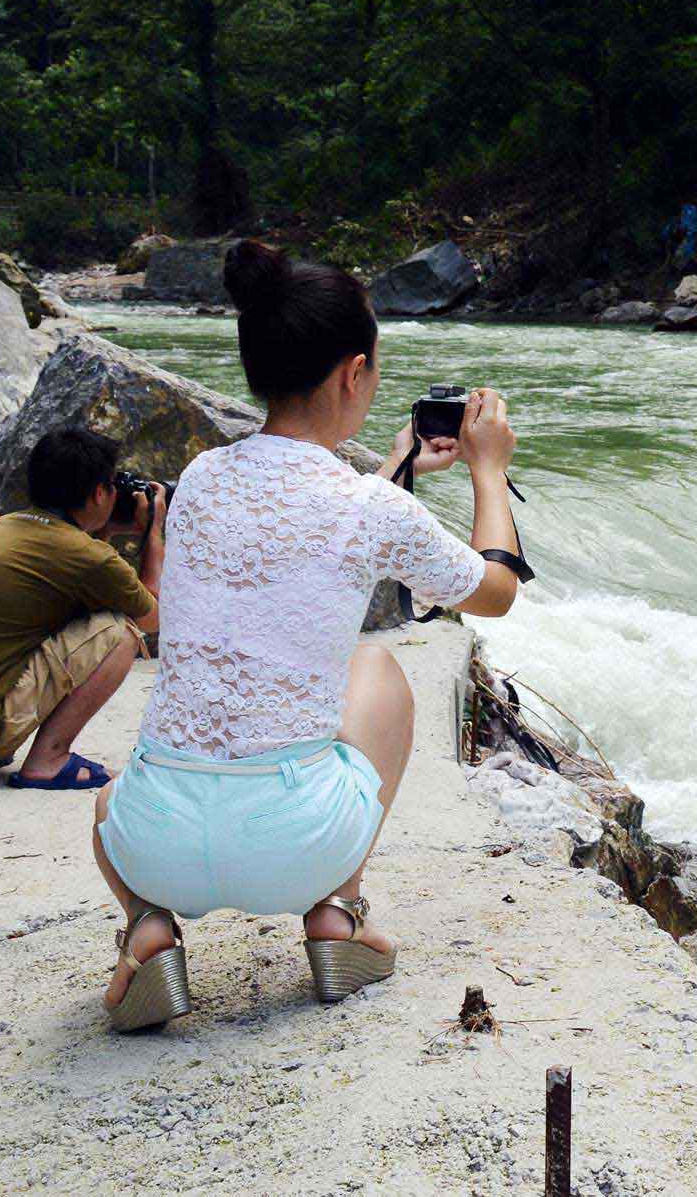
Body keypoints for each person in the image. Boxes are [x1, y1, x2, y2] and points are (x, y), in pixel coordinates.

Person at [92, 239, 525, 1032]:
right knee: (379, 667)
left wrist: (394, 465)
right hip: (296, 843)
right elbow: (494, 591)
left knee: (111, 809)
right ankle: (338, 911)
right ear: (353, 373)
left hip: (155, 840)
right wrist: (487, 470)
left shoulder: (198, 482)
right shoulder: (368, 508)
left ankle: (148, 930)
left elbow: (293, 537)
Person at [0, 428, 164, 789]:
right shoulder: (85, 556)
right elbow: (152, 617)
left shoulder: (8, 524)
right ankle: (48, 760)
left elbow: (75, 575)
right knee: (119, 632)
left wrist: (105, 530)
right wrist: (154, 533)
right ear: (98, 493)